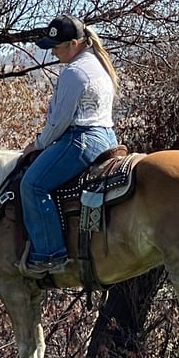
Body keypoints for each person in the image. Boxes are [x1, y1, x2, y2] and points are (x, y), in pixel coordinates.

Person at [20, 14, 119, 277]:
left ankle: (50, 255)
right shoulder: (98, 65)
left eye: (57, 47)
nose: (53, 53)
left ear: (74, 44)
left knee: (32, 185)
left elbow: (59, 121)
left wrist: (38, 145)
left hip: (81, 139)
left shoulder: (74, 73)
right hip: (107, 137)